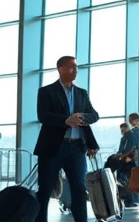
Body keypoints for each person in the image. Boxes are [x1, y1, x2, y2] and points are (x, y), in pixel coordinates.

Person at [33, 55, 100, 222]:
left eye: (76, 67)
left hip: (76, 148)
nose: (75, 70)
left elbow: (95, 115)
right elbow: (43, 116)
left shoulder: (81, 93)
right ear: (60, 69)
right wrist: (65, 120)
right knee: (45, 190)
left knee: (79, 189)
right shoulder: (46, 91)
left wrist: (82, 117)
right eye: (71, 67)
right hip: (53, 148)